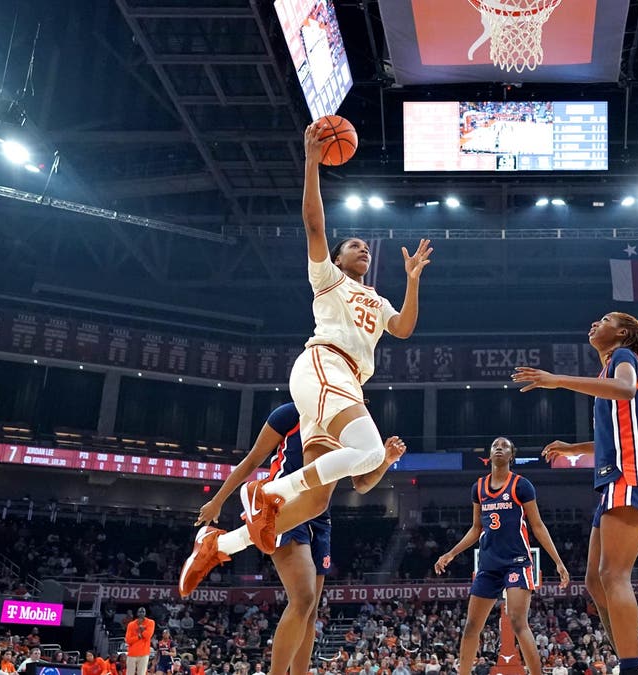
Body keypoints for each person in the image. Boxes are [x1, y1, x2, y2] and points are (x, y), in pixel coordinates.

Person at [180, 121, 432, 581]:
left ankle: (219, 544)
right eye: (353, 246)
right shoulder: (328, 279)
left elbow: (404, 328)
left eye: (365, 248)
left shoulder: (377, 299)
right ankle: (267, 492)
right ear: (336, 259)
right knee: (370, 450)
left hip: (344, 379)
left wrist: (413, 280)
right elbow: (315, 223)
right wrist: (312, 163)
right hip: (324, 365)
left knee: (316, 500)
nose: (363, 250)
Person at [190, 402, 406, 675]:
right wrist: (218, 500)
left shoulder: (349, 425)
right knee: (303, 599)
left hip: (320, 517)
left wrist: (385, 461)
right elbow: (253, 459)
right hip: (285, 504)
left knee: (311, 609)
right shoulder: (291, 413)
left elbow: (361, 484)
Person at [514, 311, 638, 675]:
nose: (593, 324)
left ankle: (632, 667)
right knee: (595, 581)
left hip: (631, 475)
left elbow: (627, 388)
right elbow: (613, 437)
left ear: (623, 332)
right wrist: (574, 449)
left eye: (604, 319)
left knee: (614, 575)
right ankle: (628, 657)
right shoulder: (605, 374)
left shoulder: (623, 357)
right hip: (613, 475)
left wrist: (557, 380)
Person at [433, 436, 571, 675]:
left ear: (511, 456)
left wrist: (558, 562)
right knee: (471, 627)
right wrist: (451, 553)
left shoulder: (521, 485)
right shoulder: (478, 487)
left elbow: (537, 525)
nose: (499, 448)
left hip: (516, 562)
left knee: (518, 623)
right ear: (489, 454)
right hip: (488, 564)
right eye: (495, 445)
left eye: (504, 446)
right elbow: (476, 529)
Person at [125, 607, 156, 675]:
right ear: (137, 613)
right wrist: (138, 637)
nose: (141, 613)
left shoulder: (151, 622)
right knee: (129, 673)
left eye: (143, 612)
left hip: (144, 654)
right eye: (140, 612)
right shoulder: (131, 624)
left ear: (145, 613)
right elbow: (128, 640)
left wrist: (143, 630)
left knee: (141, 673)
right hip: (132, 653)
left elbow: (148, 636)